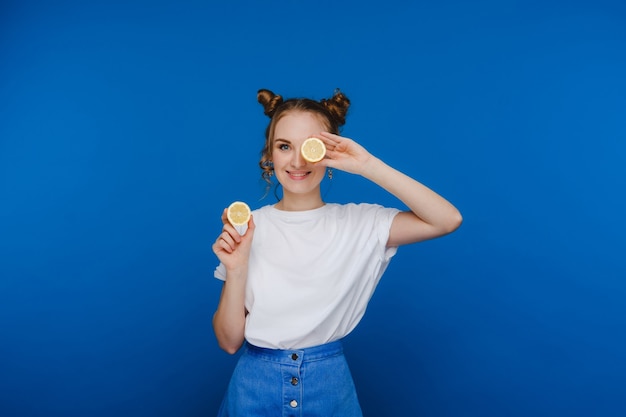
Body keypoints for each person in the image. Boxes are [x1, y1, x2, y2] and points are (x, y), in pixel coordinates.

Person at [212, 88, 462, 416]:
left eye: (309, 147)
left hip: (328, 385)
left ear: (327, 153)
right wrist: (237, 267)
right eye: (284, 146)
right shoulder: (248, 228)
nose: (297, 160)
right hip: (253, 387)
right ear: (269, 156)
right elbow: (229, 342)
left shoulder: (361, 224)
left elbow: (447, 219)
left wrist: (368, 165)